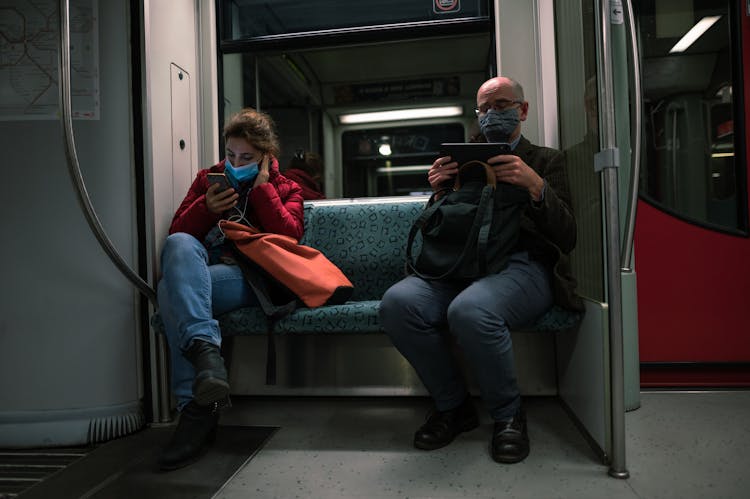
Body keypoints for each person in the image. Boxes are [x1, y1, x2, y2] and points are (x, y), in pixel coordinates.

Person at [379, 76, 583, 464]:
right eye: (484, 109)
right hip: (462, 265)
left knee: (470, 309)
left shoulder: (546, 161)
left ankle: (508, 415)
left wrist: (537, 187)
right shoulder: (464, 161)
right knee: (397, 304)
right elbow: (440, 229)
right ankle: (454, 407)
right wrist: (439, 192)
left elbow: (568, 235)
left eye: (501, 105)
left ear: (522, 110)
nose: (492, 115)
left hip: (522, 266)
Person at [156, 108, 304, 470]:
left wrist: (263, 190)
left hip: (258, 281)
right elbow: (179, 234)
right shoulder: (208, 179)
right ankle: (207, 363)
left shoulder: (286, 187)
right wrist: (205, 208)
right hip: (213, 274)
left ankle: (196, 409)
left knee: (170, 297)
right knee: (177, 252)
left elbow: (290, 239)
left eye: (248, 158)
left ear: (267, 157)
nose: (236, 163)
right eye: (231, 155)